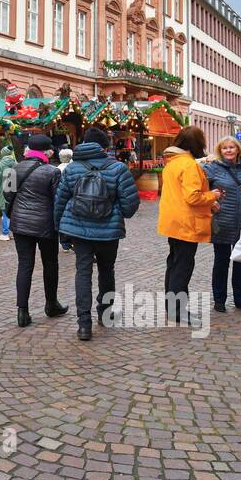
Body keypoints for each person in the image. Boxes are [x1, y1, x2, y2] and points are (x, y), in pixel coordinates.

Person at [55, 127, 140, 340]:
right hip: (108, 231)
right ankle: (105, 312)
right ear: (104, 147)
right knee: (106, 269)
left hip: (78, 229)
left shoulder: (72, 169)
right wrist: (115, 211)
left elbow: (60, 201)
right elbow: (130, 206)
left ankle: (84, 324)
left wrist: (60, 228)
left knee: (82, 273)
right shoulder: (118, 168)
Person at [157, 126, 223, 324]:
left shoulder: (172, 163)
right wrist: (214, 195)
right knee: (183, 266)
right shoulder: (189, 165)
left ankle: (172, 307)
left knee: (174, 263)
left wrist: (210, 201)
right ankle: (178, 309)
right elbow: (193, 197)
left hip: (173, 220)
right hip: (187, 222)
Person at [7, 134, 65, 327]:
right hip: (45, 224)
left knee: (24, 265)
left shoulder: (14, 168)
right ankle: (51, 304)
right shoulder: (52, 171)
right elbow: (58, 200)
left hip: (20, 224)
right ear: (48, 151)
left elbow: (7, 195)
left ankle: (22, 312)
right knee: (50, 263)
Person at [203, 137, 241, 314]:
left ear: (238, 149)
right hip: (222, 221)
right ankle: (219, 300)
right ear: (220, 150)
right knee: (221, 261)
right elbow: (203, 190)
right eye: (225, 148)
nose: (228, 150)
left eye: (231, 147)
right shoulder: (213, 169)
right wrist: (210, 201)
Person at [0, 144, 17, 242]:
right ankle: (13, 232)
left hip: (3, 190)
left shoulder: (0, 164)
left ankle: (5, 233)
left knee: (5, 211)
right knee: (12, 211)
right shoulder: (16, 163)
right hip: (13, 190)